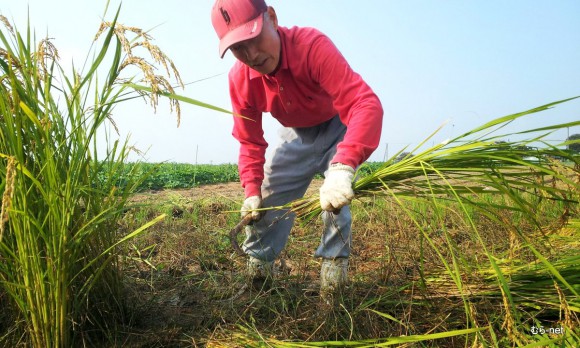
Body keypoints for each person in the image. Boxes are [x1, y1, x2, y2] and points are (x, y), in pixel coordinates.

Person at [211, 0, 383, 301]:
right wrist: (251, 190)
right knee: (265, 203)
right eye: (238, 48)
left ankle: (333, 288)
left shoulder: (311, 46)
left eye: (253, 38)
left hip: (337, 127)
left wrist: (343, 166)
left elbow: (364, 104)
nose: (251, 55)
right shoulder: (240, 79)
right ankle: (258, 280)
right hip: (295, 135)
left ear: (272, 18)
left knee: (335, 206)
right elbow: (250, 141)